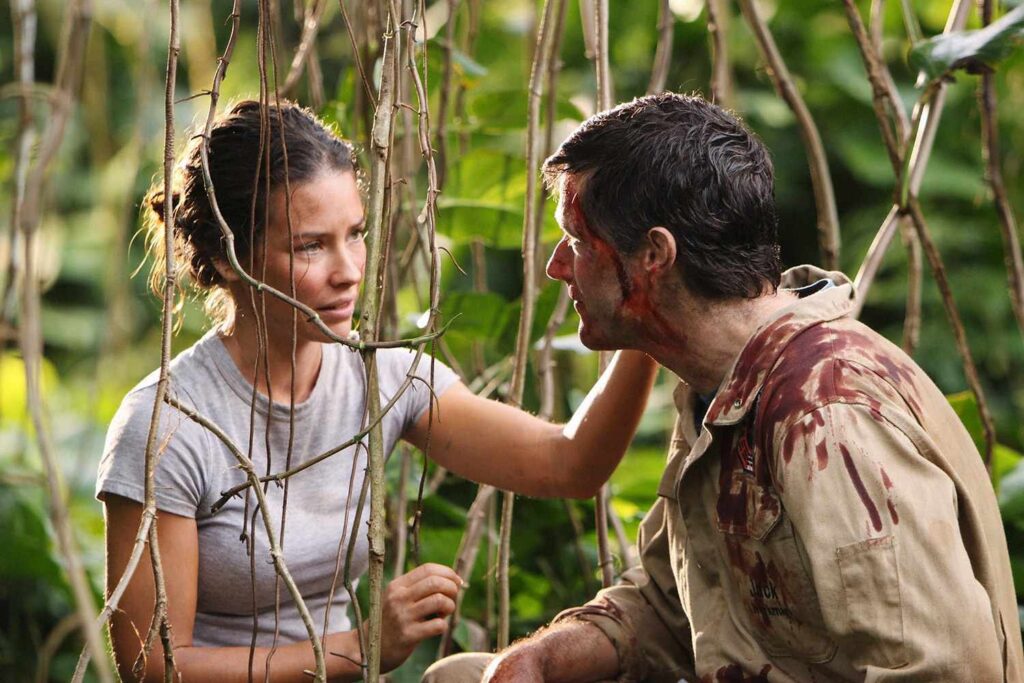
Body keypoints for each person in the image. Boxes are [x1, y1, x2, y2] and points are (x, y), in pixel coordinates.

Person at [423, 93, 1024, 682]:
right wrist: (543, 658)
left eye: (578, 243)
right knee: (464, 676)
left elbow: (948, 672)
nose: (557, 267)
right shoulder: (722, 383)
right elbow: (673, 603)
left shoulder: (825, 416)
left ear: (654, 255)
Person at [97, 99, 659, 682]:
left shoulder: (383, 380)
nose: (348, 270)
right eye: (310, 246)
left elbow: (568, 463)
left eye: (355, 235)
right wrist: (359, 648)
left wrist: (645, 315)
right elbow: (153, 665)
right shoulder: (167, 424)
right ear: (228, 257)